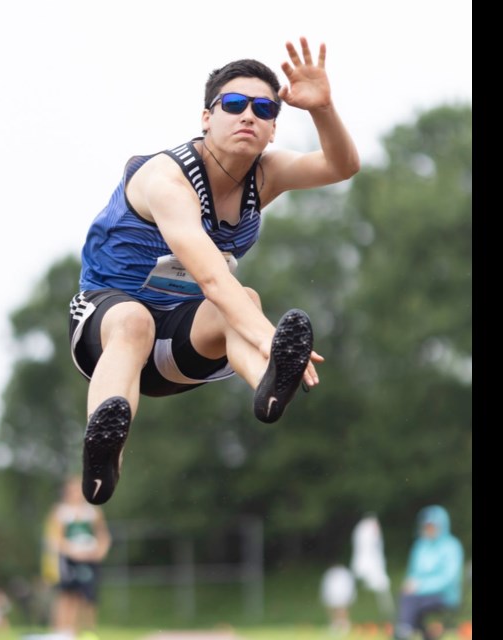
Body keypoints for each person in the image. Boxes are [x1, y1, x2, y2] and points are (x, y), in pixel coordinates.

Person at [68, 36, 360, 505]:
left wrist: (323, 109)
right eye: (234, 104)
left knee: (243, 303)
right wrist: (268, 335)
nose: (249, 115)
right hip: (107, 336)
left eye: (264, 110)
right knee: (142, 319)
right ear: (207, 117)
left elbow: (341, 166)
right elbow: (209, 277)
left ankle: (270, 384)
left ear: (272, 130)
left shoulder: (265, 175)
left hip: (178, 352)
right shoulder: (167, 179)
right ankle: (105, 457)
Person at [43, 475, 112, 639]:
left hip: (90, 559)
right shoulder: (60, 512)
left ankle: (88, 631)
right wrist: (73, 551)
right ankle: (63, 632)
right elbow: (54, 538)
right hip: (69, 560)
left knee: (89, 597)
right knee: (67, 595)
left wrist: (100, 551)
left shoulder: (93, 511)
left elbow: (103, 534)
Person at [393, 505, 464, 640]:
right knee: (407, 595)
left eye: (432, 526)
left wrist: (420, 586)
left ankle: (404, 630)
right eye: (426, 526)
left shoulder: (452, 546)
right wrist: (411, 584)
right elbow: (413, 572)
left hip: (444, 594)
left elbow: (449, 578)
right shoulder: (420, 546)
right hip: (418, 595)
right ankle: (408, 630)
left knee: (410, 599)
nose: (429, 529)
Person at [350, 513, 394, 618]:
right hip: (368, 566)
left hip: (372, 565)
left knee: (381, 587)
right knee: (380, 585)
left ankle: (387, 614)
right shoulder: (365, 532)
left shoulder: (363, 532)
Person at [320, 564, 357, 635]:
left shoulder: (345, 574)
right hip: (333, 595)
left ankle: (344, 626)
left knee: (342, 609)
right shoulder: (330, 573)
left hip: (343, 595)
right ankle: (334, 625)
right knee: (334, 610)